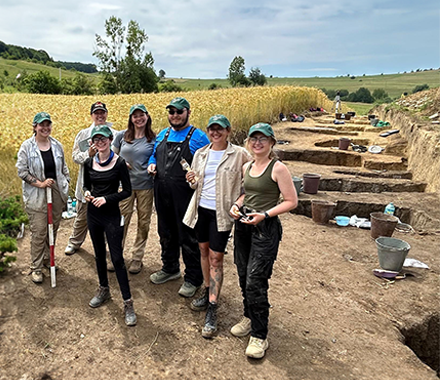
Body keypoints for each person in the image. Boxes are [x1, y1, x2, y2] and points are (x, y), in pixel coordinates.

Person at [229, 122, 297, 359]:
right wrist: (237, 206)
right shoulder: (247, 166)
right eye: (253, 139)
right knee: (242, 273)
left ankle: (260, 335)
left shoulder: (278, 168)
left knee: (256, 279)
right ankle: (249, 316)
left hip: (265, 228)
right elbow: (247, 193)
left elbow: (291, 200)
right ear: (248, 142)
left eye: (263, 139)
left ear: (271, 143)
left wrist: (265, 215)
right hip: (244, 225)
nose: (257, 143)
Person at [183, 115, 251, 338]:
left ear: (228, 131)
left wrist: (239, 203)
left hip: (221, 214)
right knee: (203, 250)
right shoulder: (201, 153)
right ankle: (206, 289)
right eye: (212, 129)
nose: (215, 133)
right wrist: (191, 180)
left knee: (216, 258)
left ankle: (212, 307)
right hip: (200, 210)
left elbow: (249, 183)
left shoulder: (240, 154)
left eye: (220, 129)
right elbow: (195, 184)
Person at [147, 97, 210, 297]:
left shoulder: (198, 137)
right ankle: (170, 268)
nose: (175, 116)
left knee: (188, 237)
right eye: (171, 112)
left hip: (186, 196)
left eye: (179, 112)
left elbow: (208, 164)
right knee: (165, 232)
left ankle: (193, 278)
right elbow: (154, 155)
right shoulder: (162, 135)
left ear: (188, 113)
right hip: (162, 193)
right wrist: (151, 163)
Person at [83, 124, 136, 326]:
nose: (100, 142)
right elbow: (86, 185)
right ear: (93, 142)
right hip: (93, 214)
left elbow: (127, 191)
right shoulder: (89, 162)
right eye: (96, 139)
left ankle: (128, 302)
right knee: (98, 254)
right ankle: (103, 289)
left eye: (103, 139)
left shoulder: (119, 163)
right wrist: (88, 193)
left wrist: (106, 199)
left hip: (112, 215)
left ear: (109, 140)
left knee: (117, 258)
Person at [16, 112, 70, 284]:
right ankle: (36, 267)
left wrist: (65, 183)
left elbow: (64, 169)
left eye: (48, 124)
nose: (45, 128)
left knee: (52, 229)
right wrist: (39, 183)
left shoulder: (56, 145)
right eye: (41, 125)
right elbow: (22, 171)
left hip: (56, 192)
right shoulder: (27, 147)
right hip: (37, 194)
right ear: (35, 126)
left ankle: (48, 259)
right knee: (39, 231)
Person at [64, 102, 117, 271]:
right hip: (87, 185)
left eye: (102, 112)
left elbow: (118, 156)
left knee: (108, 219)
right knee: (81, 217)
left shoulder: (114, 134)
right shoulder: (83, 135)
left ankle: (108, 249)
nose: (100, 116)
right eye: (96, 113)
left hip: (107, 187)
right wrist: (89, 154)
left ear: (106, 114)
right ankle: (74, 242)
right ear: (91, 115)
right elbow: (74, 157)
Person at [112, 104, 155, 274]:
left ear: (147, 116)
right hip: (125, 187)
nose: (139, 119)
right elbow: (111, 154)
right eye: (135, 116)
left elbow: (156, 158)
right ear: (131, 119)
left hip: (146, 187)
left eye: (141, 115)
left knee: (143, 223)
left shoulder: (154, 138)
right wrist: (120, 163)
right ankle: (117, 254)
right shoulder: (121, 136)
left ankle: (137, 257)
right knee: (121, 221)